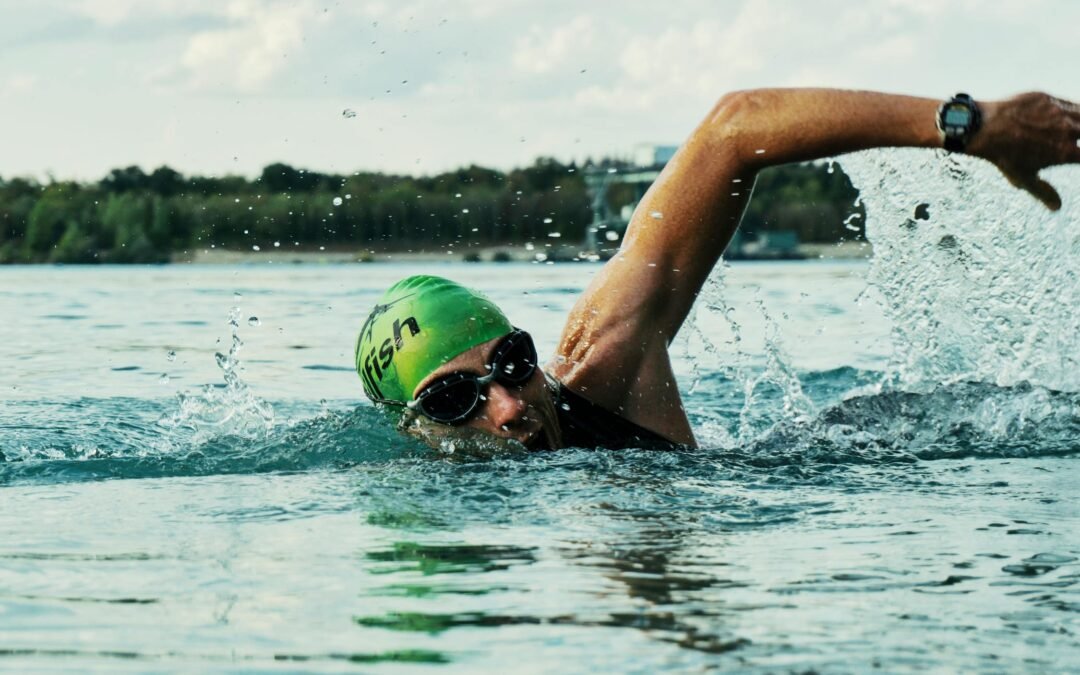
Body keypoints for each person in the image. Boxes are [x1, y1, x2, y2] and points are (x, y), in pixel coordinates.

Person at [356, 88, 1080, 451]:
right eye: (455, 400)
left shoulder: (603, 361)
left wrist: (969, 125)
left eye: (512, 363)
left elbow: (733, 128)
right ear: (413, 428)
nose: (509, 407)